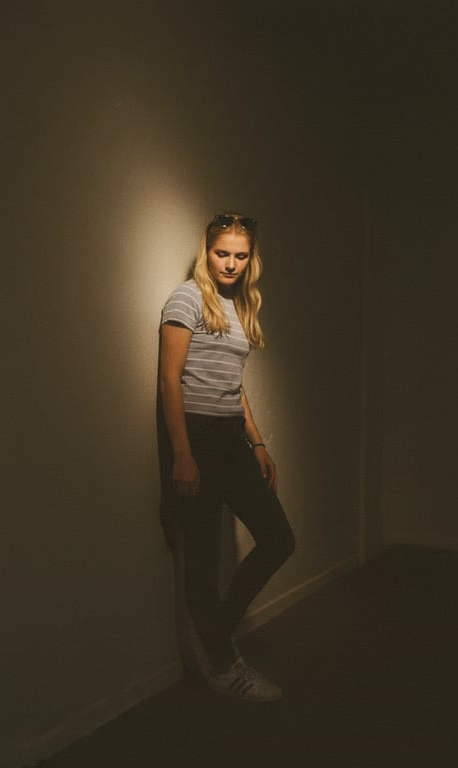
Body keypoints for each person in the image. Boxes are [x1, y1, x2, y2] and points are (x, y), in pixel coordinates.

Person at [157, 212, 295, 702]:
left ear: (251, 258)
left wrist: (256, 442)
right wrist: (182, 453)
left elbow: (233, 386)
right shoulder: (186, 298)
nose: (230, 264)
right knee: (203, 559)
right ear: (207, 251)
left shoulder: (239, 306)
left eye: (240, 255)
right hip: (195, 438)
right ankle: (222, 666)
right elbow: (169, 379)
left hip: (231, 438)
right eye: (222, 254)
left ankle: (214, 635)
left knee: (279, 539)